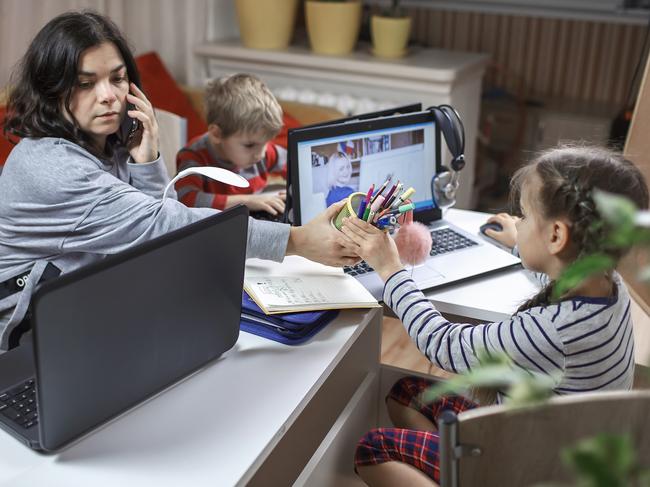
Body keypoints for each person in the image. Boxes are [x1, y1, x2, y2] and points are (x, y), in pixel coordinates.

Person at [0, 11, 357, 351]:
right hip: (26, 340)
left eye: (118, 78)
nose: (108, 95)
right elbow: (166, 225)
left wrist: (147, 158)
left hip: (93, 312)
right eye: (84, 83)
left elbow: (151, 244)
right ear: (52, 91)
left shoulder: (109, 143)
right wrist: (296, 239)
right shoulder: (51, 166)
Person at [338, 145, 649, 486]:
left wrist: (391, 269)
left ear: (557, 236)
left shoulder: (549, 330)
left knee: (373, 448)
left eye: (526, 216)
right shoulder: (609, 285)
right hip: (556, 447)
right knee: (404, 392)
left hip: (529, 465)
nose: (519, 221)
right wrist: (523, 243)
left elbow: (443, 343)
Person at [175, 73, 287, 217]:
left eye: (265, 143)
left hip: (254, 220)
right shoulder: (194, 157)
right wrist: (247, 201)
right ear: (217, 134)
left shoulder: (260, 151)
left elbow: (294, 163)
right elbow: (185, 199)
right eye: (249, 145)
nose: (261, 155)